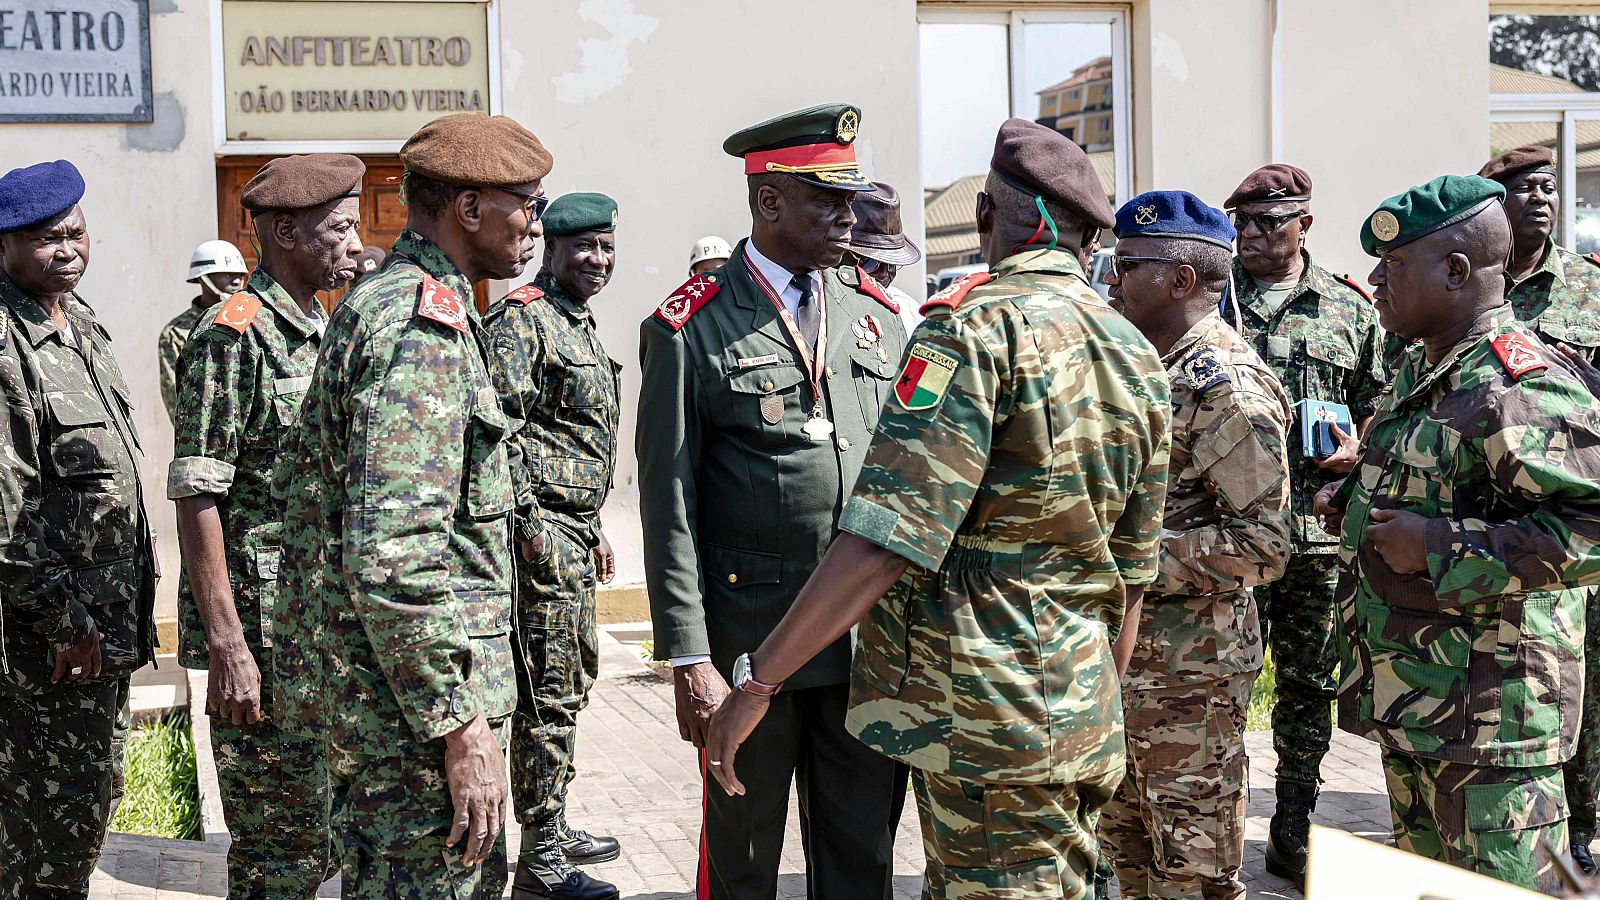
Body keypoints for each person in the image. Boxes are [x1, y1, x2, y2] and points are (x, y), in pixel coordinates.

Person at [704, 117, 1173, 899]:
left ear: (989, 218)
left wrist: (755, 686)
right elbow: (1132, 577)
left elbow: (886, 540)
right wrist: (1086, 702)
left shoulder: (972, 332)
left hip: (987, 725)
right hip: (1079, 715)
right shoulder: (1136, 354)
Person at [271, 114, 551, 898]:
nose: (536, 219)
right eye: (526, 200)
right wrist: (459, 726)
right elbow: (393, 555)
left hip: (392, 716)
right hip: (412, 734)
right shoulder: (419, 325)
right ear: (468, 210)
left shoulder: (404, 305)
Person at [636, 103, 911, 900]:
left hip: (862, 645)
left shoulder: (873, 314)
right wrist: (688, 657)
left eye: (849, 197)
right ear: (769, 201)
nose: (846, 215)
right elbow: (670, 501)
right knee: (746, 860)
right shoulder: (689, 326)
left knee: (861, 858)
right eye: (826, 197)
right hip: (749, 646)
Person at [1315, 174, 1600, 892]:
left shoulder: (1517, 383)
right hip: (1421, 710)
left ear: (1456, 271)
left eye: (1394, 265)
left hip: (1495, 730)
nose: (1375, 280)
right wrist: (1351, 498)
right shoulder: (1424, 366)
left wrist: (1440, 547)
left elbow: (1590, 527)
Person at [167, 153, 366, 899]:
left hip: (322, 630)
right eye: (338, 228)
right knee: (277, 855)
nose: (353, 242)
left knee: (328, 838)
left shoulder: (322, 326)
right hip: (265, 635)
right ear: (285, 230)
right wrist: (228, 645)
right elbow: (197, 494)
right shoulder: (233, 337)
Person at [1097, 190, 1292, 899]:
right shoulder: (1147, 364)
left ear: (1181, 280)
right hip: (1129, 664)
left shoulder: (1225, 385)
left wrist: (1135, 561)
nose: (1114, 281)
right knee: (1131, 856)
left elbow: (1266, 542)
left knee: (1193, 874)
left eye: (1127, 265)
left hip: (1191, 675)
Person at [1221, 162, 1388, 885]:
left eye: (1269, 222)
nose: (1252, 235)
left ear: (1304, 225)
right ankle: (1215, 824)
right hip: (1224, 537)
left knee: (1306, 684)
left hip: (1313, 538)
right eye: (1243, 222)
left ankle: (1292, 825)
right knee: (1218, 684)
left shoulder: (1350, 309)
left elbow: (1382, 403)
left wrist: (1359, 449)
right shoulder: (1205, 297)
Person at [0, 160, 157, 900]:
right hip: (46, 652)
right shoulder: (6, 344)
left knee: (81, 821)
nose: (66, 249)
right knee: (41, 849)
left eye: (75, 232)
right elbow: (8, 515)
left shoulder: (80, 321)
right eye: (43, 238)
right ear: (3, 248)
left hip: (101, 636)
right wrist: (67, 625)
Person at [485, 192, 623, 900]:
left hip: (571, 533)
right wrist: (533, 526)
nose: (597, 260)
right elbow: (499, 431)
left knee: (568, 686)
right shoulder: (523, 320)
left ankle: (552, 824)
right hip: (539, 545)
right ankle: (539, 867)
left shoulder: (577, 320)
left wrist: (591, 522)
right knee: (546, 694)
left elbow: (572, 440)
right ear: (552, 249)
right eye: (583, 249)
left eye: (606, 246)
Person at [1481, 145, 1600, 875]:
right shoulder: (1472, 286)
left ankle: (1580, 821)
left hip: (1574, 504)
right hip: (1495, 510)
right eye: (1522, 189)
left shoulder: (1588, 289)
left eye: (1549, 187)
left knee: (1587, 672)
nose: (1541, 199)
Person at [160, 240, 248, 424]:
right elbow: (174, 396)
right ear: (203, 277)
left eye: (240, 274)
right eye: (228, 274)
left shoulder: (251, 322)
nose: (237, 280)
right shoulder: (176, 333)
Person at [846, 181, 922, 315]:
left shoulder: (908, 313)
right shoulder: (815, 305)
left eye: (892, 263)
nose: (884, 273)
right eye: (871, 262)